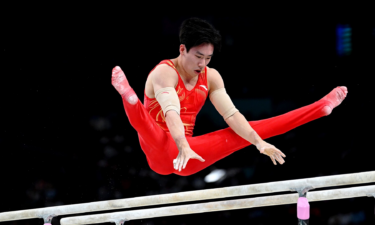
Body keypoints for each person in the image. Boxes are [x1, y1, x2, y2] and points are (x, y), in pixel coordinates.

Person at [111, 17, 347, 176]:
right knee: (147, 127)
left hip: (190, 154)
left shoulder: (212, 77)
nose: (202, 64)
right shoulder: (164, 72)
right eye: (198, 56)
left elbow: (232, 114)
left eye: (208, 58)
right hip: (161, 149)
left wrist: (258, 142)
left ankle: (320, 106)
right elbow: (171, 109)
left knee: (249, 130)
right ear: (182, 49)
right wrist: (181, 144)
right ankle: (128, 97)